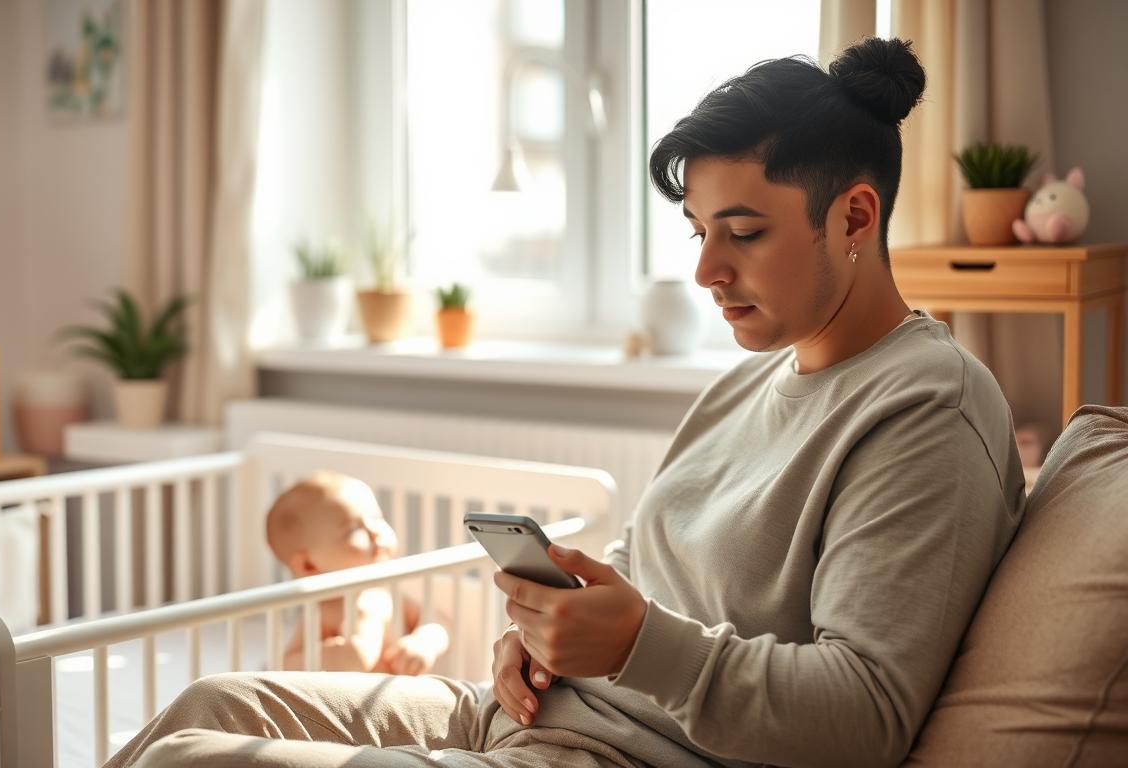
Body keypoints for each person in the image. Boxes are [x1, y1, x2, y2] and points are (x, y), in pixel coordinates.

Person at [104, 37, 1025, 768]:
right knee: (208, 705)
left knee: (196, 760)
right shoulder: (750, 376)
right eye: (700, 232)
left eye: (742, 233)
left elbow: (864, 715)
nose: (706, 271)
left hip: (625, 756)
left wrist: (634, 649)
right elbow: (646, 563)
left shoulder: (925, 411)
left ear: (856, 217)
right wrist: (541, 640)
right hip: (517, 718)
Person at [264, 471, 450, 675]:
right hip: (348, 704)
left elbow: (437, 621)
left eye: (376, 518)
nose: (375, 531)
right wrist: (332, 655)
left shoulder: (386, 594)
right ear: (309, 565)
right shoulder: (322, 612)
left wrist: (423, 642)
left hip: (396, 698)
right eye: (353, 529)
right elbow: (285, 664)